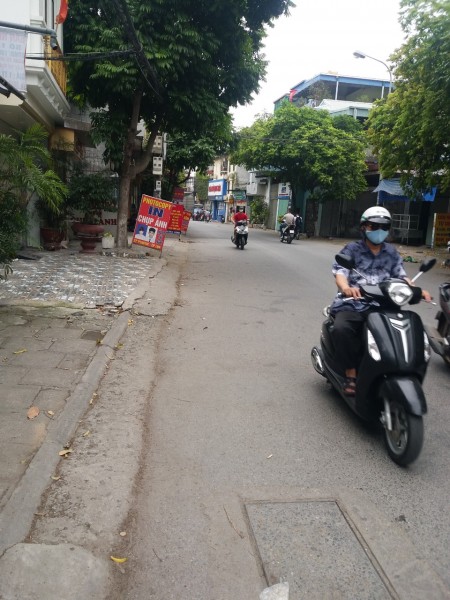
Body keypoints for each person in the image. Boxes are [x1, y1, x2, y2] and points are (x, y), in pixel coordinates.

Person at [330, 206, 432, 396]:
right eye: (374, 226)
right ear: (364, 227)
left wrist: (416, 290)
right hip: (354, 303)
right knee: (342, 329)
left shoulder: (391, 253)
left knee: (408, 331)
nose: (379, 230)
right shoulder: (352, 249)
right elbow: (340, 273)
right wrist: (346, 288)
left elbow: (401, 276)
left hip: (386, 305)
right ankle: (351, 374)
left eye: (384, 227)